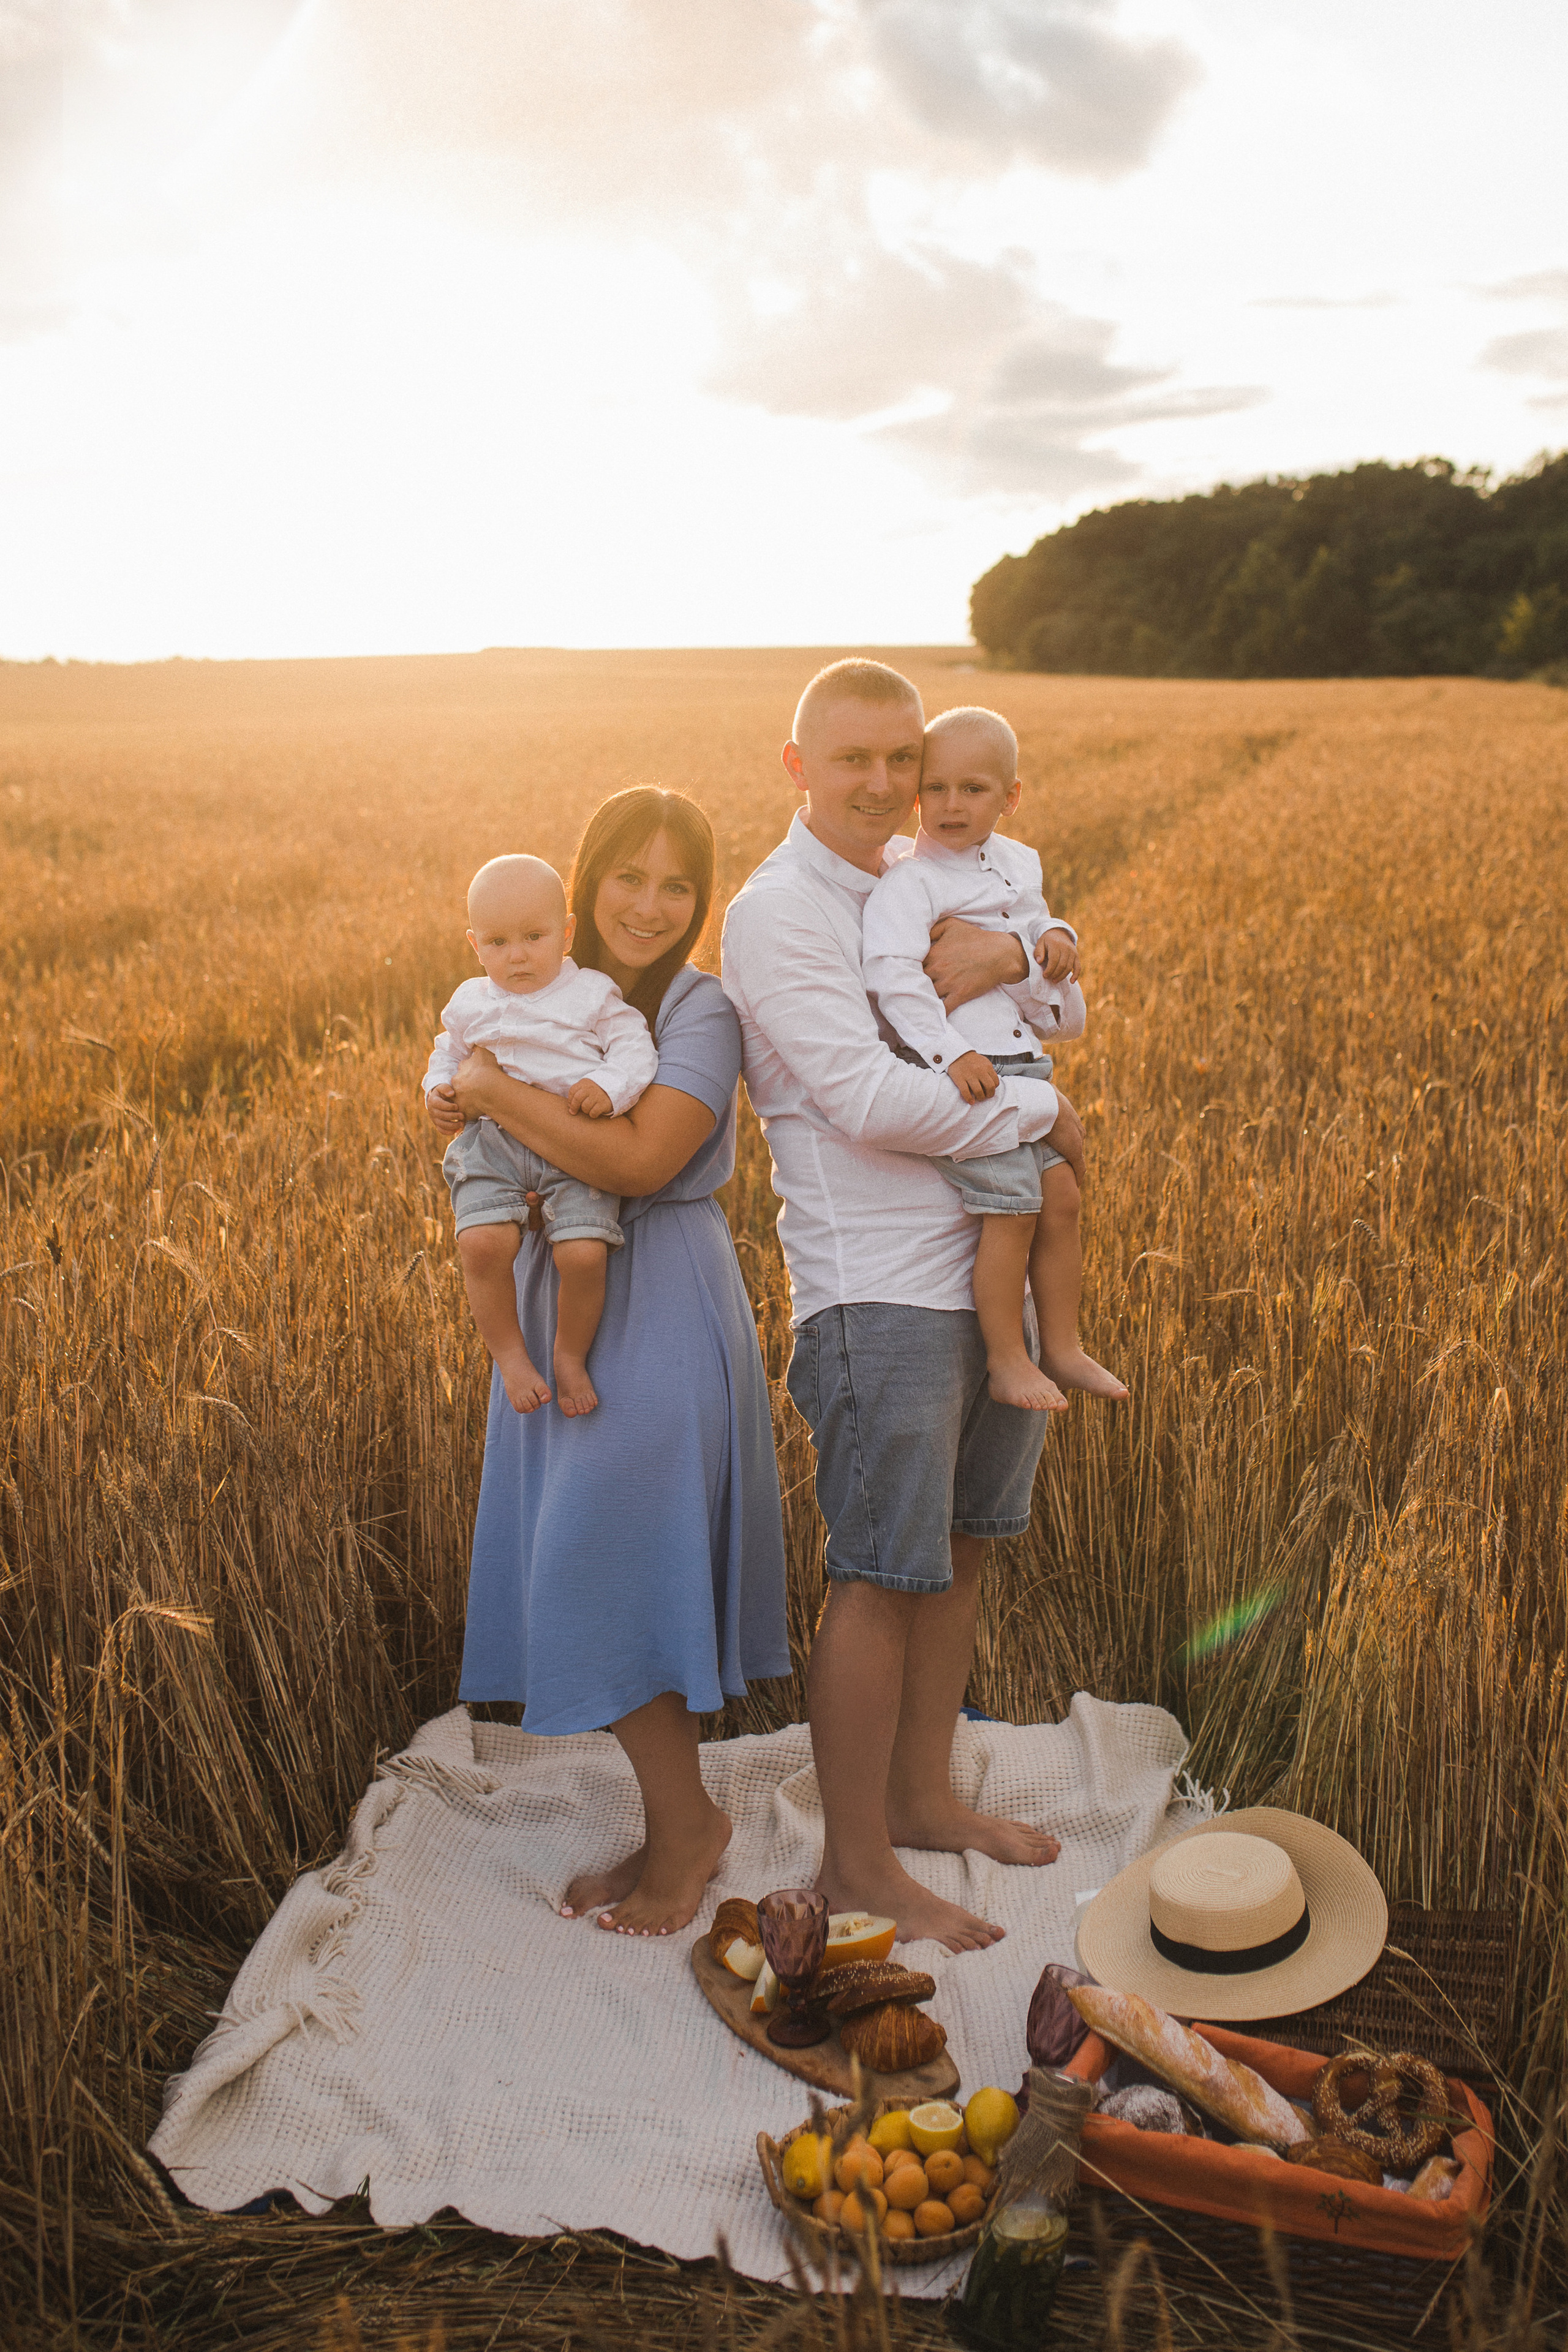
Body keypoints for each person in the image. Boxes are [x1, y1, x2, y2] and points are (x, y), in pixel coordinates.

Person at [721, 659, 1083, 1955]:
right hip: (876, 1294)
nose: (881, 785)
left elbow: (1057, 1010)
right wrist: (1040, 1116)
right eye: (852, 760)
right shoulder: (778, 914)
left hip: (980, 1268)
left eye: (900, 759)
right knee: (879, 1575)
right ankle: (857, 1860)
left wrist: (1010, 960)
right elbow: (866, 1103)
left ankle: (923, 1799)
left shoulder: (924, 874)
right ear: (797, 765)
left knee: (964, 1548)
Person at [428, 788, 791, 1937]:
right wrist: (465, 1100)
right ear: (583, 886)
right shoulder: (538, 984)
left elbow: (639, 1161)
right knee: (603, 1555)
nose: (649, 904)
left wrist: (494, 1092)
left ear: (701, 901)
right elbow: (457, 1107)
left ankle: (689, 1834)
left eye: (676, 884)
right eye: (627, 878)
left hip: (664, 1292)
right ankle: (676, 1818)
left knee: (606, 1545)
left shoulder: (699, 1010)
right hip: (555, 1290)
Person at [861, 706, 1126, 1412]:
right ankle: (1009, 1359)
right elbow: (894, 980)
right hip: (965, 1073)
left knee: (1062, 1194)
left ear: (1010, 797)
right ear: (918, 794)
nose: (951, 805)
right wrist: (951, 1054)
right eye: (937, 787)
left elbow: (1035, 921)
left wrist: (1058, 935)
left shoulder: (1018, 862)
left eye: (973, 789)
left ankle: (1062, 1347)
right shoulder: (908, 883)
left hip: (1026, 1064)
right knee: (1011, 1208)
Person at [424, 853, 659, 1419]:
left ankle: (569, 1355)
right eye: (498, 942)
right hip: (494, 1143)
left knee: (582, 1254)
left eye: (535, 936)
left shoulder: (591, 993)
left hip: (574, 1139)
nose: (518, 954)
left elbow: (634, 1046)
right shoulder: (470, 1001)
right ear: (474, 945)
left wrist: (608, 1085)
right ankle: (510, 1356)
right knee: (482, 1244)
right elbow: (447, 1054)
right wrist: (437, 1091)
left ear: (568, 932)